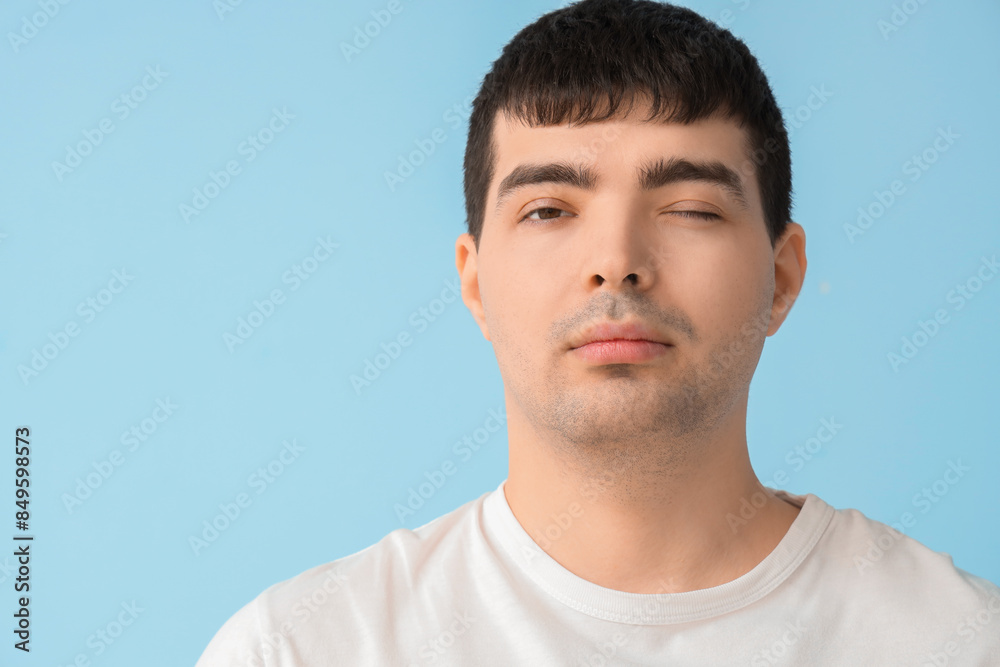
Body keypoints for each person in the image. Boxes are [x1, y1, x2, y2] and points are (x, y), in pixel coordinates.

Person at [195, 1, 1000, 664]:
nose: (616, 263)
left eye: (690, 209)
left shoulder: (957, 640)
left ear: (782, 277)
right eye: (549, 209)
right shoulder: (303, 648)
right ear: (474, 279)